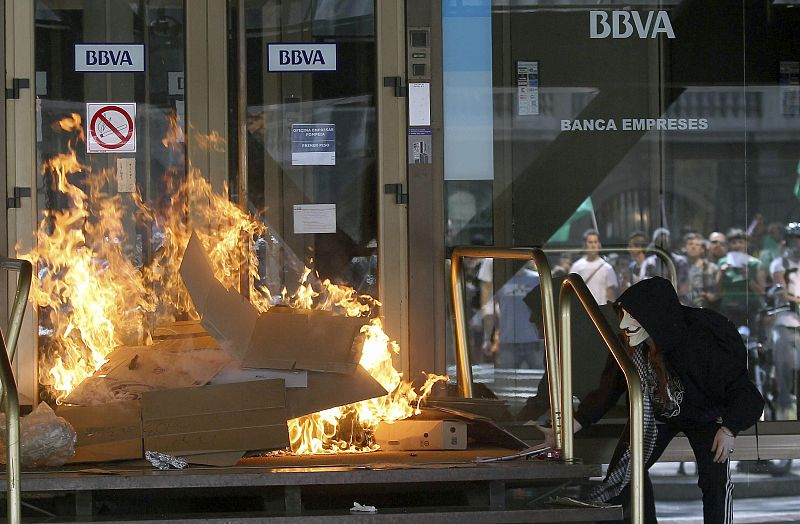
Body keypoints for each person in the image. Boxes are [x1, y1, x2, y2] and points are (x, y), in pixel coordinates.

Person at [541, 277, 764, 523]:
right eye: (622, 315)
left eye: (633, 317)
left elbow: (743, 391)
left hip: (706, 414)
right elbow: (607, 392)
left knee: (715, 480)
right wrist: (569, 427)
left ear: (655, 317)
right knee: (624, 473)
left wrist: (730, 428)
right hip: (658, 414)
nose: (624, 324)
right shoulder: (629, 345)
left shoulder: (701, 341)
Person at [768, 222, 800, 420]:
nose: (797, 244)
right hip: (786, 320)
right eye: (794, 240)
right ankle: (785, 407)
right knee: (785, 364)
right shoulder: (780, 263)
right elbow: (782, 291)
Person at [717, 228, 767, 327]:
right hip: (729, 307)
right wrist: (721, 273)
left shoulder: (756, 264)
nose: (737, 245)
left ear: (746, 244)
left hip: (750, 308)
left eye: (741, 242)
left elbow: (761, 291)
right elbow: (718, 290)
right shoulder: (722, 262)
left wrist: (747, 277)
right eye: (734, 242)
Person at [571, 229, 618, 304]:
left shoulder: (607, 268)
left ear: (599, 244)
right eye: (590, 242)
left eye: (595, 242)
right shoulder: (576, 267)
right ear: (585, 244)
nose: (593, 245)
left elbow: (611, 295)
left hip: (601, 311)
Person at [682, 233, 721, 309]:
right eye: (690, 244)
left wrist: (711, 296)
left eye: (697, 245)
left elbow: (719, 291)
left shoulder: (712, 268)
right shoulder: (678, 267)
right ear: (684, 247)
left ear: (702, 249)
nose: (693, 247)